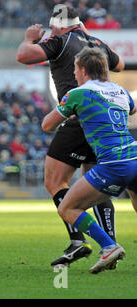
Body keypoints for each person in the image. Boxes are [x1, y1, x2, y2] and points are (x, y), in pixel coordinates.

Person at [16, 4, 125, 267]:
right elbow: (119, 64)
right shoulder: (96, 42)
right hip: (102, 125)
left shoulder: (61, 40)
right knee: (96, 184)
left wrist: (30, 39)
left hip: (77, 117)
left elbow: (24, 56)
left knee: (55, 181)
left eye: (53, 26)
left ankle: (80, 240)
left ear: (59, 24)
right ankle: (108, 247)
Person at [41, 47, 135, 274]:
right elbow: (131, 109)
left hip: (113, 164)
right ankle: (109, 245)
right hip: (134, 156)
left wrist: (74, 110)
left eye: (75, 68)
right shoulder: (121, 91)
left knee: (67, 208)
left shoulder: (77, 94)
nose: (74, 74)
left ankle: (109, 246)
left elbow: (47, 125)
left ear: (82, 69)